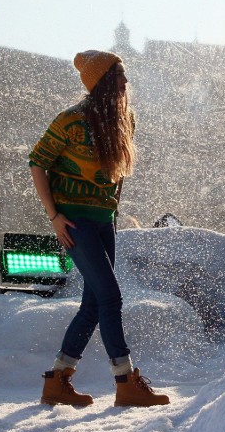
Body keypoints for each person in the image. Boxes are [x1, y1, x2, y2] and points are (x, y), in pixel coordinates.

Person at [30, 50, 170, 408]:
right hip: (74, 222)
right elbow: (37, 162)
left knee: (93, 303)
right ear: (104, 82)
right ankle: (125, 381)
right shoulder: (70, 121)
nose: (126, 82)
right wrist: (54, 216)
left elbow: (118, 171)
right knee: (110, 297)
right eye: (120, 76)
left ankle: (58, 380)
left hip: (103, 220)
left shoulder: (125, 119)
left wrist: (113, 208)